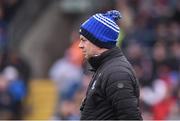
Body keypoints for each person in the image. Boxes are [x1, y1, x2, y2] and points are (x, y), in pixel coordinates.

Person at [78, 10, 142, 120]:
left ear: (99, 41)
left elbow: (131, 117)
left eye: (84, 40)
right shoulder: (105, 68)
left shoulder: (116, 73)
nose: (80, 45)